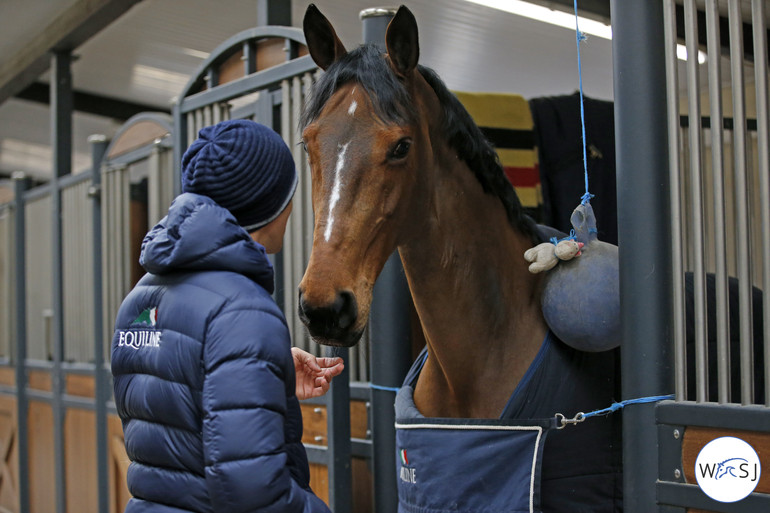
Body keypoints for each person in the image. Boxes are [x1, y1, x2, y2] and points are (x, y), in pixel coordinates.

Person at [111, 119, 343, 513]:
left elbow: (174, 415)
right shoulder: (243, 311)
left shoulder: (141, 297)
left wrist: (267, 369)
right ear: (272, 205)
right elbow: (253, 496)